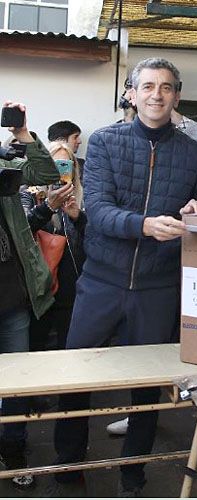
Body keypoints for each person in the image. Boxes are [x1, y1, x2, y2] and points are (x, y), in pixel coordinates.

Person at [50, 57, 197, 497]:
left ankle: (134, 472)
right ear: (131, 93)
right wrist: (144, 225)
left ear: (177, 95)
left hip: (159, 287)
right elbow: (98, 211)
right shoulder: (104, 142)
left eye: (166, 87)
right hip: (102, 281)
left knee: (147, 390)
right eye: (147, 86)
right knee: (76, 375)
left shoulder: (196, 153)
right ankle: (69, 465)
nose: (156, 94)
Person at [0, 101, 59, 490]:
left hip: (10, 299)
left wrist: (22, 134)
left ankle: (14, 450)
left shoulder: (4, 171)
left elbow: (46, 173)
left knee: (17, 383)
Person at [20, 141, 85, 352]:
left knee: (71, 349)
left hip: (72, 290)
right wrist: (49, 207)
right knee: (36, 349)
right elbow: (22, 230)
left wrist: (78, 217)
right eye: (54, 164)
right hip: (39, 290)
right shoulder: (28, 194)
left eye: (66, 165)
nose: (59, 171)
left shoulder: (84, 199)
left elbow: (94, 241)